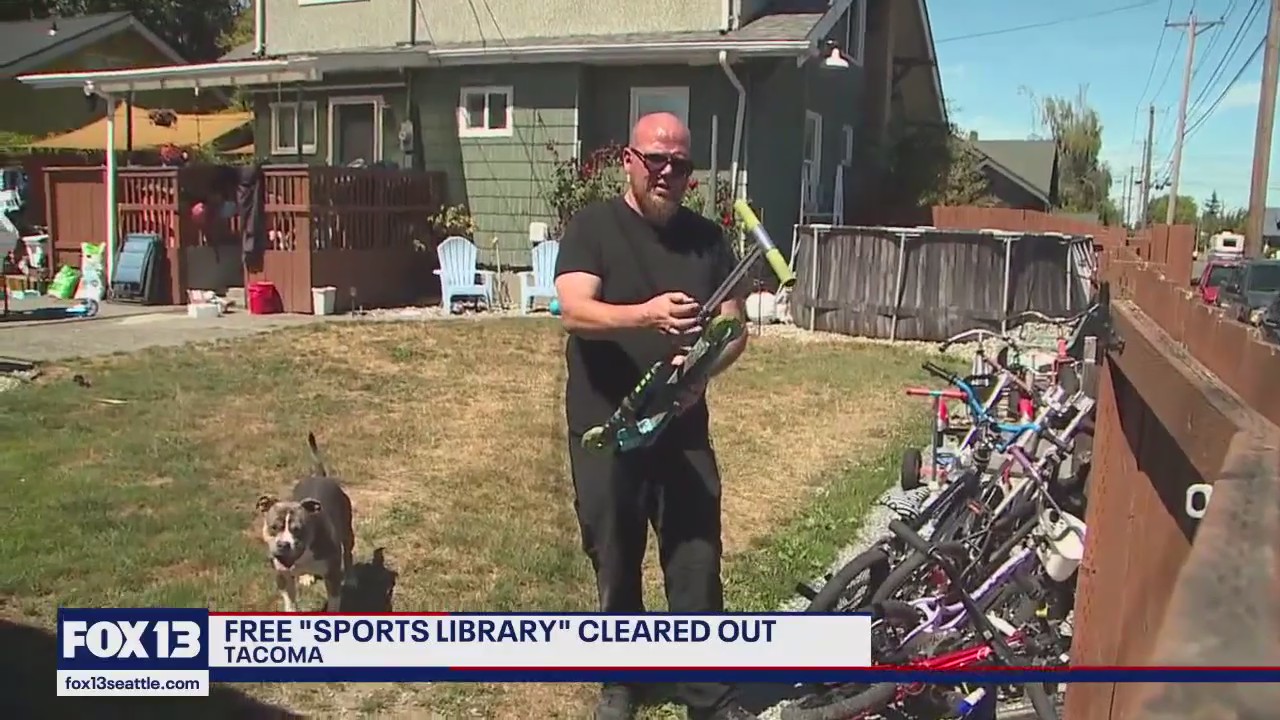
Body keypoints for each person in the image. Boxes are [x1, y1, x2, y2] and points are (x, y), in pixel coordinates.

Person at [553, 112, 757, 720]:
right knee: (614, 554)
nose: (668, 172)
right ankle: (623, 680)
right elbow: (574, 311)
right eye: (656, 160)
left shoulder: (706, 239)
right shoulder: (593, 227)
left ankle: (708, 694)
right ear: (629, 161)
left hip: (681, 427)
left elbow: (736, 328)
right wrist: (645, 315)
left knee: (696, 555)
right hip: (605, 424)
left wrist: (704, 375)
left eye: (681, 164)